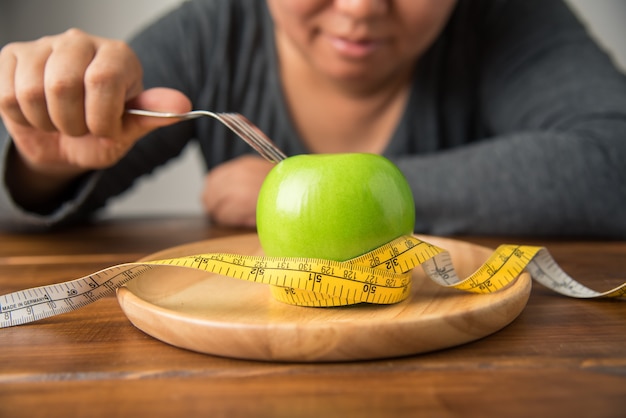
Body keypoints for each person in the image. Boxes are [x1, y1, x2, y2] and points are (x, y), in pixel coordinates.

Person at [1, 0, 625, 237]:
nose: (359, 9)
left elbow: (615, 160)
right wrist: (43, 163)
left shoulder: (509, 19)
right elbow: (54, 186)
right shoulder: (214, 33)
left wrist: (333, 198)